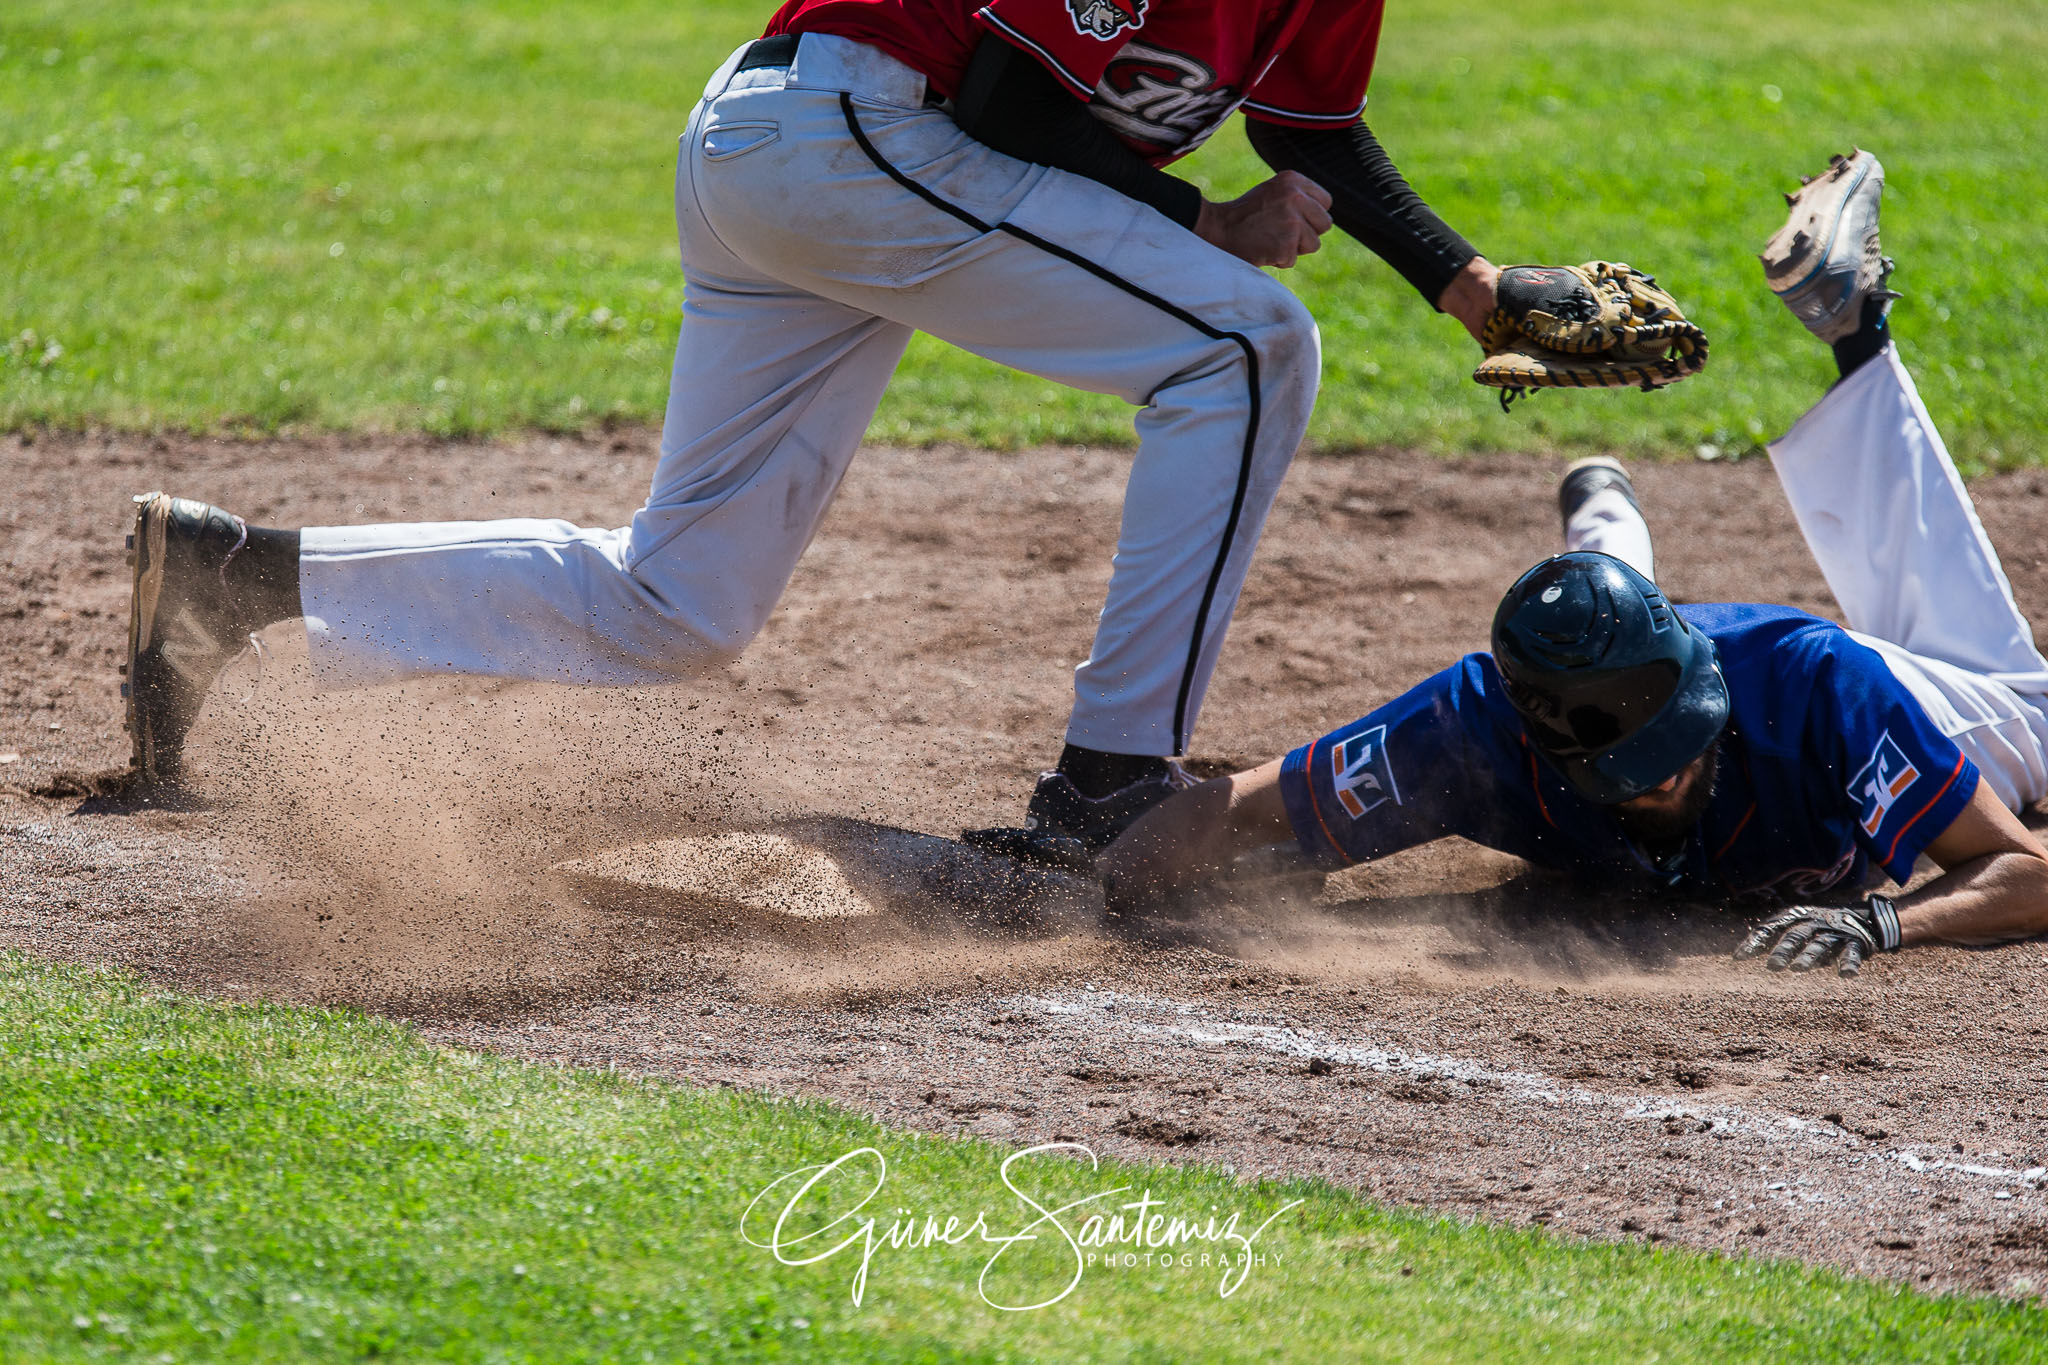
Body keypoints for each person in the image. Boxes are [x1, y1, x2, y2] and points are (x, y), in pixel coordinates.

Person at [120, 0, 1557, 855]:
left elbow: (1311, 128)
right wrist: (1205, 220)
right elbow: (1003, 98)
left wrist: (1469, 286)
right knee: (1247, 344)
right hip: (855, 133)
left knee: (679, 603)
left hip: (802, 155)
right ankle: (1113, 783)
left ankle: (238, 578)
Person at [1096, 150, 2048, 976]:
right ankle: (1624, 507)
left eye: (1670, 751)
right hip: (1656, 642)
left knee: (2025, 706)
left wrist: (1883, 921)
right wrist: (1080, 893)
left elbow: (2024, 875)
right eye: (1628, 769)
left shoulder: (1814, 687)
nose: (1658, 782)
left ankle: (1861, 335)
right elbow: (1232, 815)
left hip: (1882, 691)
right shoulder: (1477, 722)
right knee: (1604, 609)